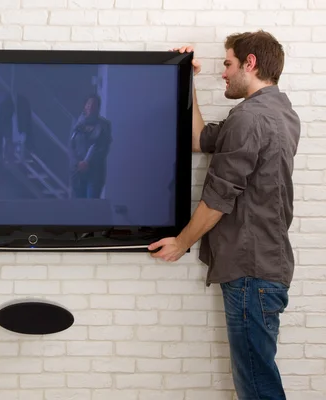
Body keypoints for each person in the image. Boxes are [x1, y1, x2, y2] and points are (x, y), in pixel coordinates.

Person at [149, 30, 300, 399]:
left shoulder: (249, 119)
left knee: (256, 386)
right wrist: (188, 79)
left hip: (251, 271)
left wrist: (181, 243)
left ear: (250, 63)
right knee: (257, 377)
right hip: (265, 267)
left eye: (228, 64)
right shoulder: (280, 113)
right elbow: (199, 140)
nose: (224, 73)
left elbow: (218, 199)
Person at [69, 94, 112, 199]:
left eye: (94, 104)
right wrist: (77, 163)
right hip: (77, 172)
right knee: (78, 207)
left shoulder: (104, 125)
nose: (91, 107)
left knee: (91, 206)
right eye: (89, 104)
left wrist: (87, 163)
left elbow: (103, 148)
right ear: (85, 106)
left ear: (98, 107)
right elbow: (70, 146)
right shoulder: (77, 123)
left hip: (95, 173)